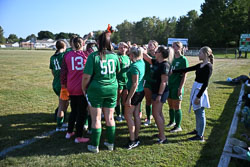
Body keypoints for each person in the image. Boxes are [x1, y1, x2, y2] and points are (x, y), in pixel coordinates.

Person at [82, 30, 120, 153]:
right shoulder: (115, 56)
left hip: (97, 89)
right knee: (110, 117)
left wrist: (83, 88)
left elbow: (86, 76)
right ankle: (110, 144)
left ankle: (95, 146)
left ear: (98, 42)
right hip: (112, 88)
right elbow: (117, 71)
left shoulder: (93, 56)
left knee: (96, 119)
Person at [173, 46, 213, 141]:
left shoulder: (208, 66)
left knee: (200, 112)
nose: (198, 55)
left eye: (200, 53)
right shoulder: (200, 65)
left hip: (200, 90)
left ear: (205, 54)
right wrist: (173, 71)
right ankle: (197, 130)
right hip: (196, 87)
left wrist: (198, 97)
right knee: (197, 111)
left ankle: (200, 136)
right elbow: (187, 69)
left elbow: (205, 83)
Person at [61, 36, 92, 143]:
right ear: (82, 44)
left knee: (73, 111)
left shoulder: (67, 55)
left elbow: (63, 72)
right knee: (82, 113)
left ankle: (69, 132)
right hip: (82, 87)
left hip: (71, 86)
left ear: (72, 44)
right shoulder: (86, 55)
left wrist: (63, 85)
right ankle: (79, 136)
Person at [143, 46, 174, 143]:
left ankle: (163, 137)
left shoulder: (165, 65)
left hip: (161, 92)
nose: (154, 53)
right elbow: (146, 57)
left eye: (156, 51)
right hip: (156, 90)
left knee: (156, 114)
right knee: (159, 113)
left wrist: (159, 95)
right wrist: (142, 49)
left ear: (160, 53)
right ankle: (161, 133)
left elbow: (164, 82)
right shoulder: (157, 62)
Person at [124, 46, 145, 149]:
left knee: (128, 115)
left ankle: (132, 140)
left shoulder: (135, 66)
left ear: (132, 55)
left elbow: (134, 84)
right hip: (141, 92)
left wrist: (128, 99)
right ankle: (136, 137)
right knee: (136, 115)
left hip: (135, 93)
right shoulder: (141, 62)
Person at [167, 41, 189, 133]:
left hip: (177, 85)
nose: (172, 48)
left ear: (179, 48)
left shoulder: (183, 60)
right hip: (170, 85)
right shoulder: (170, 59)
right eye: (172, 46)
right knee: (170, 105)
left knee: (177, 105)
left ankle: (178, 126)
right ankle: (172, 122)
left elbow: (184, 75)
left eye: (174, 46)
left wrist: (180, 88)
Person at [49, 40, 69, 131]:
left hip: (56, 83)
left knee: (64, 103)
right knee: (62, 105)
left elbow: (53, 71)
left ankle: (62, 122)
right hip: (63, 84)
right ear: (64, 46)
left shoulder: (52, 57)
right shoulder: (64, 55)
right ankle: (59, 126)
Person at [143, 40, 159, 126]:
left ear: (155, 46)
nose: (149, 46)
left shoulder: (158, 57)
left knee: (156, 102)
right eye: (148, 45)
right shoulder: (145, 56)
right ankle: (148, 118)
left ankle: (156, 118)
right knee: (148, 100)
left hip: (156, 82)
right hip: (147, 81)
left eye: (151, 45)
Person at [115, 42, 130, 122]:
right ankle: (118, 115)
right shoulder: (117, 57)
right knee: (117, 99)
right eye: (121, 47)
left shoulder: (128, 57)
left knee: (124, 99)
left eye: (124, 47)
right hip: (118, 81)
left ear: (127, 48)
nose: (122, 49)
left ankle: (123, 114)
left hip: (126, 81)